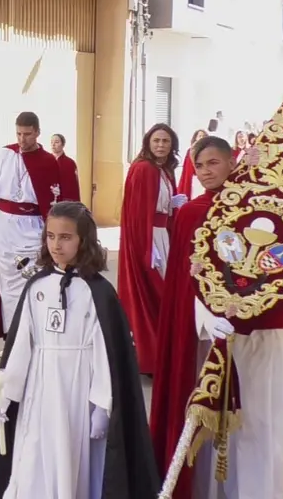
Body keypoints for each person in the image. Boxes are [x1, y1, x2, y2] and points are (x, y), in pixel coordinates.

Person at [149, 134, 283, 498]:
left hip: (263, 333)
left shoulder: (265, 208)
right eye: (200, 165)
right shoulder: (192, 213)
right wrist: (205, 317)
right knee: (211, 429)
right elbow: (185, 279)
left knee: (261, 420)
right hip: (211, 335)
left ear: (232, 162)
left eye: (214, 163)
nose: (207, 172)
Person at [0, 201, 159, 498]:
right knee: (33, 453)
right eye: (50, 236)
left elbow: (104, 351)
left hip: (78, 390)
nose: (56, 245)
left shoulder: (98, 292)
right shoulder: (37, 286)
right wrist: (5, 394)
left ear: (83, 240)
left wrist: (102, 404)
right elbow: (22, 344)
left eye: (65, 237)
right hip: (39, 387)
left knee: (72, 458)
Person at [0, 112, 74, 339]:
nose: (22, 139)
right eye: (18, 133)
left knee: (34, 275)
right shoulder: (4, 154)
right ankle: (11, 334)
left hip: (33, 226)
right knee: (7, 281)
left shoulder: (47, 162)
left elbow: (54, 201)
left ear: (37, 132)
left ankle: (32, 332)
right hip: (4, 226)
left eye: (27, 134)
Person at [116, 123, 184, 375]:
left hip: (162, 236)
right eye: (156, 140)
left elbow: (159, 204)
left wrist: (173, 205)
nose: (161, 145)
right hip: (151, 239)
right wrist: (146, 248)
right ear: (148, 142)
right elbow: (138, 214)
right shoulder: (144, 169)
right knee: (157, 294)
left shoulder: (163, 170)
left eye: (165, 141)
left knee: (166, 294)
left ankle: (163, 354)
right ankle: (152, 356)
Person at [49, 132, 83, 203]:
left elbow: (72, 186)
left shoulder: (70, 163)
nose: (53, 144)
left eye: (56, 142)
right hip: (49, 198)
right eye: (51, 142)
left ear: (63, 144)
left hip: (65, 200)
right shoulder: (46, 160)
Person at [177, 129, 208, 199]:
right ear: (196, 138)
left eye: (204, 136)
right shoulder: (191, 150)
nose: (202, 137)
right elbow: (188, 168)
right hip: (195, 179)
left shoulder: (210, 150)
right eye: (200, 136)